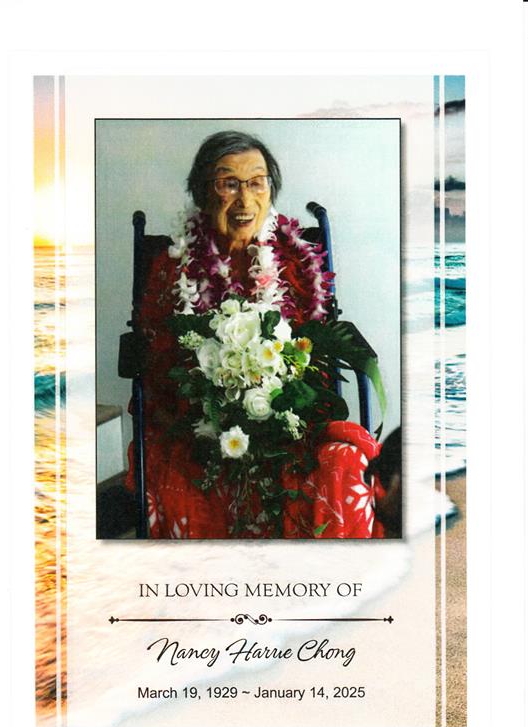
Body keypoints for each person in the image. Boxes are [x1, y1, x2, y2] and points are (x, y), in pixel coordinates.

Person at [126, 130, 385, 539]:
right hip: (198, 427)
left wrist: (280, 405)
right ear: (202, 192)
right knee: (184, 480)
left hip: (289, 422)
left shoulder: (297, 259)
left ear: (270, 188)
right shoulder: (171, 267)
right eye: (228, 183)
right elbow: (161, 364)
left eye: (256, 182)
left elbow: (314, 357)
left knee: (340, 463)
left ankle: (335, 582)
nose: (245, 200)